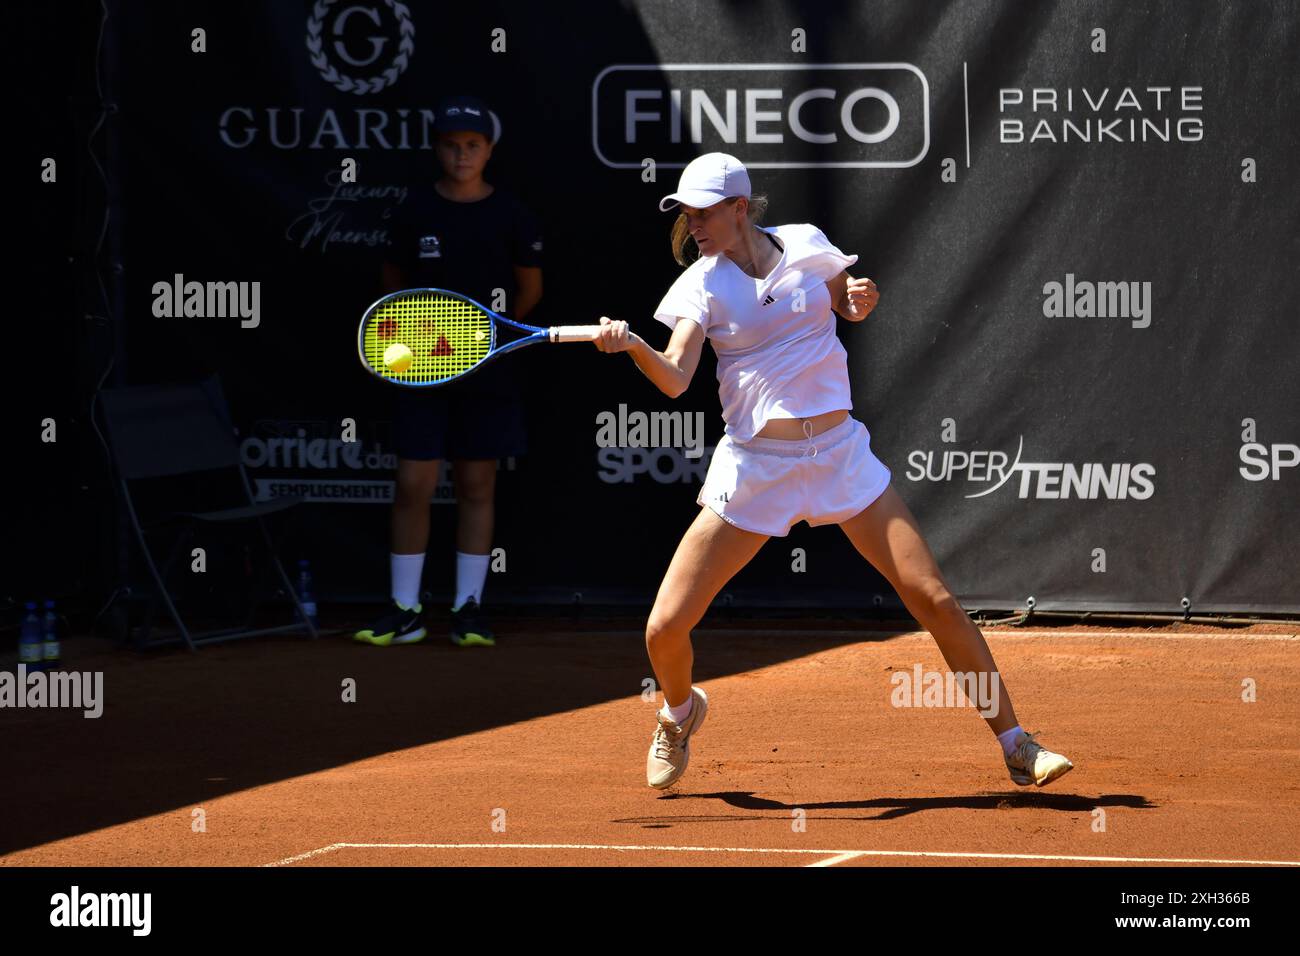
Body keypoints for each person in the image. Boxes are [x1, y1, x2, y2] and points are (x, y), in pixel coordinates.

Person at [592, 152, 1074, 791]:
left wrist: (855, 297)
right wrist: (633, 348)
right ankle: (680, 713)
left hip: (838, 455)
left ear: (741, 208)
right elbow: (677, 379)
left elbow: (843, 302)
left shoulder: (805, 245)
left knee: (931, 595)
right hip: (756, 467)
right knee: (664, 627)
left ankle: (1016, 743)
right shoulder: (700, 285)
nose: (694, 224)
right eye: (686, 212)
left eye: (705, 211)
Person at [355, 95, 543, 648]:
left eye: (472, 146)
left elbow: (529, 291)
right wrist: (416, 339)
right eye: (452, 146)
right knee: (413, 483)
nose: (462, 155)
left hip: (485, 370)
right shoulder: (415, 209)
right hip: (417, 367)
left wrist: (479, 341)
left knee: (476, 483)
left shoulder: (512, 214)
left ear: (488, 150)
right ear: (437, 149)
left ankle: (468, 609)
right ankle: (405, 610)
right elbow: (392, 280)